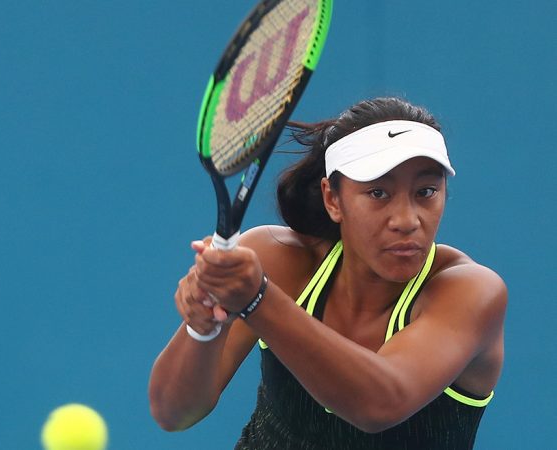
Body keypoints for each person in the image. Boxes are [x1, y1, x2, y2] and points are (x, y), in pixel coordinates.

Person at [148, 97, 507, 449]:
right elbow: (173, 412)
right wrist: (204, 327)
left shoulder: (472, 292)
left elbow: (379, 404)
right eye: (378, 193)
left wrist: (257, 298)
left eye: (426, 191)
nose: (406, 220)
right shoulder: (277, 259)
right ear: (333, 199)